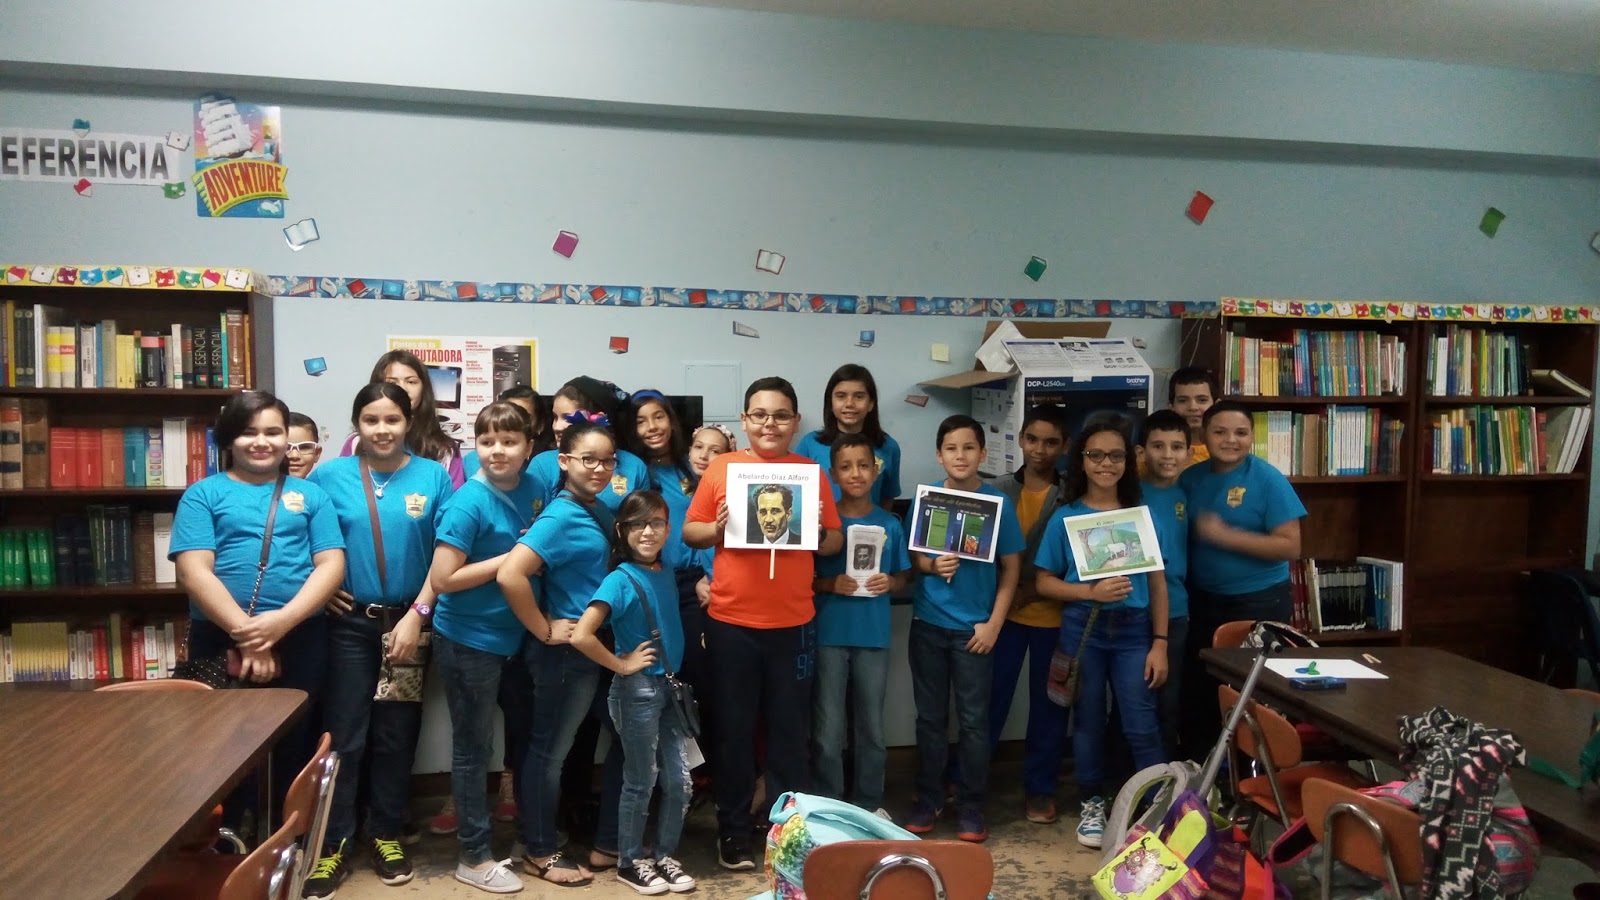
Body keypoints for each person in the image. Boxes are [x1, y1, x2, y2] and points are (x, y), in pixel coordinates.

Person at [302, 383, 455, 897]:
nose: (382, 429)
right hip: (349, 628)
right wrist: (321, 590)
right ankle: (334, 842)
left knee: (396, 733)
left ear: (408, 422)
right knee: (345, 736)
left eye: (392, 419)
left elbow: (447, 554)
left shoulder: (433, 477)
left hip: (410, 626)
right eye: (371, 420)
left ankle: (386, 832)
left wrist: (418, 615)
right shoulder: (329, 476)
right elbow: (305, 542)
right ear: (357, 424)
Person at [684, 377, 842, 871]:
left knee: (789, 737)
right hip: (731, 624)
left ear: (795, 421)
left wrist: (818, 529)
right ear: (745, 420)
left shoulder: (810, 473)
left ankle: (787, 836)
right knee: (732, 734)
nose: (769, 424)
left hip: (793, 625)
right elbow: (691, 531)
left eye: (780, 415)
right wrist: (717, 527)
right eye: (759, 414)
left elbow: (834, 541)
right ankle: (733, 832)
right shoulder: (723, 469)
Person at [170, 391, 346, 832]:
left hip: (300, 637)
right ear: (229, 439)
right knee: (222, 748)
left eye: (273, 432)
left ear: (287, 438)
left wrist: (281, 623)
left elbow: (331, 565)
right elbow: (193, 571)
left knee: (295, 744)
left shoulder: (311, 495)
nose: (262, 442)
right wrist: (250, 635)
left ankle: (286, 841)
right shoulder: (202, 495)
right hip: (220, 638)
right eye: (249, 432)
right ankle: (228, 842)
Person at [429, 401, 554, 894]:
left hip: (520, 636)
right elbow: (443, 579)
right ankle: (474, 856)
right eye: (486, 442)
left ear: (528, 447)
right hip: (469, 640)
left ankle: (530, 838)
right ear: (474, 446)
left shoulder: (537, 486)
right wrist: (513, 558)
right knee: (473, 748)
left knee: (525, 740)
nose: (497, 451)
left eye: (508, 441)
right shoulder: (468, 502)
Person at [497, 421, 626, 888]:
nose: (599, 468)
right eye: (588, 459)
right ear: (565, 461)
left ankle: (609, 843)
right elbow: (511, 573)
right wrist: (544, 628)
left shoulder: (597, 507)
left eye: (607, 460)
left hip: (600, 645)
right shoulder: (561, 515)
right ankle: (540, 850)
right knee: (549, 751)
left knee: (628, 739)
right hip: (567, 653)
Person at [1035, 417, 1169, 851]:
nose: (1105, 463)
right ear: (1082, 460)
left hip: (1134, 632)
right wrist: (1088, 591)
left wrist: (1160, 643)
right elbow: (1043, 582)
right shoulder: (1066, 517)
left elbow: (1158, 584)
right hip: (1083, 627)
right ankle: (1092, 802)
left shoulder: (1141, 516)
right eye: (1095, 455)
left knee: (1141, 722)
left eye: (1115, 455)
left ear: (1128, 461)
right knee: (1088, 719)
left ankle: (1158, 808)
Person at [570, 491, 698, 895]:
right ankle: (629, 862)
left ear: (668, 529)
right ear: (622, 530)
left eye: (656, 523)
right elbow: (581, 635)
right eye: (638, 524)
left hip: (670, 688)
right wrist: (621, 665)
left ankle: (664, 855)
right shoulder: (620, 579)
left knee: (679, 782)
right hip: (637, 691)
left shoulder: (665, 570)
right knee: (641, 780)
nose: (648, 532)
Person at [904, 415, 1023, 844]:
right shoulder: (926, 500)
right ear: (939, 455)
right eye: (951, 448)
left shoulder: (997, 503)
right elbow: (914, 557)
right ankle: (929, 798)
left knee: (974, 722)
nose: (960, 456)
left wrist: (994, 624)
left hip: (975, 631)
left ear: (983, 454)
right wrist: (931, 565)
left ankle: (971, 804)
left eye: (969, 448)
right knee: (930, 720)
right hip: (928, 625)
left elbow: (1012, 569)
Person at [1177, 399, 1306, 759]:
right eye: (1220, 432)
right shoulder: (1191, 478)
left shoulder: (1267, 478)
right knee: (1202, 688)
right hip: (1201, 601)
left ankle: (1250, 770)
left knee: (1250, 692)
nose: (1230, 440)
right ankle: (1203, 771)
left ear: (1251, 436)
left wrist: (1225, 536)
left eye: (1240, 432)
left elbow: (1290, 546)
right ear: (1204, 435)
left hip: (1258, 602)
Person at [811, 433, 911, 816]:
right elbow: (805, 580)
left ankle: (869, 803)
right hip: (829, 635)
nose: (856, 473)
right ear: (833, 473)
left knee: (872, 727)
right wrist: (829, 584)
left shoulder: (890, 524)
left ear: (876, 470)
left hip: (873, 636)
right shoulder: (823, 526)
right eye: (846, 467)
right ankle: (830, 804)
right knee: (827, 729)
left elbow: (904, 576)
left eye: (864, 465)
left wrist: (891, 582)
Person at [983, 404, 1071, 825]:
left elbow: (1076, 557)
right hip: (1005, 618)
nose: (1040, 449)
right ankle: (970, 781)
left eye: (1051, 442)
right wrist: (1009, 596)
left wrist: (1030, 590)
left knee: (1050, 708)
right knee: (988, 701)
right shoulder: (997, 490)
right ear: (1020, 439)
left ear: (1064, 446)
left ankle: (1040, 789)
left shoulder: (1073, 495)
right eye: (1032, 439)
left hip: (1056, 618)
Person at [1138, 410, 1192, 759]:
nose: (1168, 455)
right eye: (1158, 446)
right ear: (1142, 451)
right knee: (1134, 700)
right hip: (1135, 610)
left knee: (1169, 702)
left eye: (1176, 446)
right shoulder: (1130, 494)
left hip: (1175, 611)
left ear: (1189, 452)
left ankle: (1166, 778)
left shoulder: (1189, 494)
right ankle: (1126, 778)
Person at [342, 350, 466, 488]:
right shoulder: (356, 443)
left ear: (423, 388)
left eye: (411, 382)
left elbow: (453, 499)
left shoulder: (445, 450)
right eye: (392, 382)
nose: (403, 388)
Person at [527, 376, 648, 512]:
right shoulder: (542, 464)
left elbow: (643, 519)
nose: (557, 427)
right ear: (563, 461)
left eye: (567, 418)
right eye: (555, 417)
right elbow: (531, 517)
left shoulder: (634, 467)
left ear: (597, 418)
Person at [794, 364, 902, 508]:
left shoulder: (888, 446)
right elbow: (794, 492)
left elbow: (888, 497)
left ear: (871, 403)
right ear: (830, 403)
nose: (850, 403)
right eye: (841, 396)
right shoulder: (810, 444)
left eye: (859, 396)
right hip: (823, 522)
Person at [462, 385, 550, 478]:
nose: (514, 422)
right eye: (507, 415)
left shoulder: (545, 465)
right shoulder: (472, 462)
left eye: (525, 417)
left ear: (540, 425)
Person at [1168, 366, 1217, 466]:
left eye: (1202, 400)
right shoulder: (1162, 450)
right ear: (1171, 407)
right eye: (1183, 401)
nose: (1193, 407)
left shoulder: (1224, 450)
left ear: (1216, 406)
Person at [286, 412, 323, 479]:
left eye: (304, 447)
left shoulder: (316, 487)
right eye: (285, 448)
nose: (294, 455)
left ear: (317, 453)